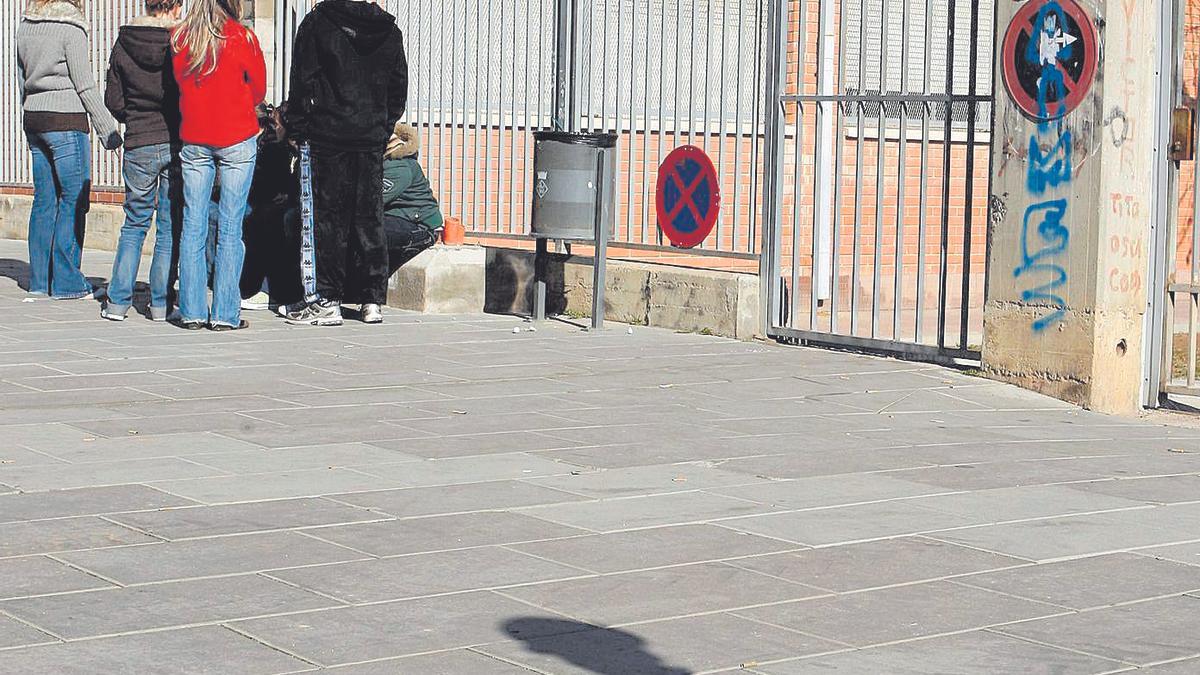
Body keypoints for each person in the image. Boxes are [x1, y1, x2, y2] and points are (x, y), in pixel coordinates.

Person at [283, 0, 408, 326]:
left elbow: (302, 80)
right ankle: (371, 300)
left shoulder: (318, 22)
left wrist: (297, 126)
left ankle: (326, 299)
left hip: (327, 135)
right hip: (369, 136)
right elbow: (398, 88)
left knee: (325, 220)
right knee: (369, 218)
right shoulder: (389, 30)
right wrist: (383, 128)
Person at [16, 0, 122, 301]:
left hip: (34, 118)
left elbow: (21, 79)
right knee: (73, 200)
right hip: (66, 121)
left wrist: (28, 114)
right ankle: (67, 283)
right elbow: (84, 84)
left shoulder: (25, 26)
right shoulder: (71, 28)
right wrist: (108, 130)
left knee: (44, 200)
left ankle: (39, 281)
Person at [171, 0, 266, 330]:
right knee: (230, 226)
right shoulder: (243, 38)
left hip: (195, 136)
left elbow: (177, 86)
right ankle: (225, 313)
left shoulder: (182, 39)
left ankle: (192, 310)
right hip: (237, 135)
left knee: (193, 224)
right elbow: (258, 90)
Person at [101, 0, 183, 322]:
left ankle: (118, 302)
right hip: (174, 140)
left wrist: (132, 118)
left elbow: (113, 99)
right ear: (174, 6)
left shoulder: (125, 40)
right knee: (167, 226)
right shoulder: (178, 42)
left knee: (134, 224)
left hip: (138, 142)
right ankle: (160, 304)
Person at [240, 102, 302, 312]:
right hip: (278, 203)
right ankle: (259, 286)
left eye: (277, 124)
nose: (274, 129)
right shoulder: (278, 148)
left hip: (298, 208)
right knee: (260, 218)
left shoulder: (301, 150)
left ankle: (273, 290)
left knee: (273, 221)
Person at [382, 122, 442, 276]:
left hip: (420, 226)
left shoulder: (397, 167)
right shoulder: (390, 164)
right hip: (401, 218)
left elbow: (372, 201)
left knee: (370, 231)